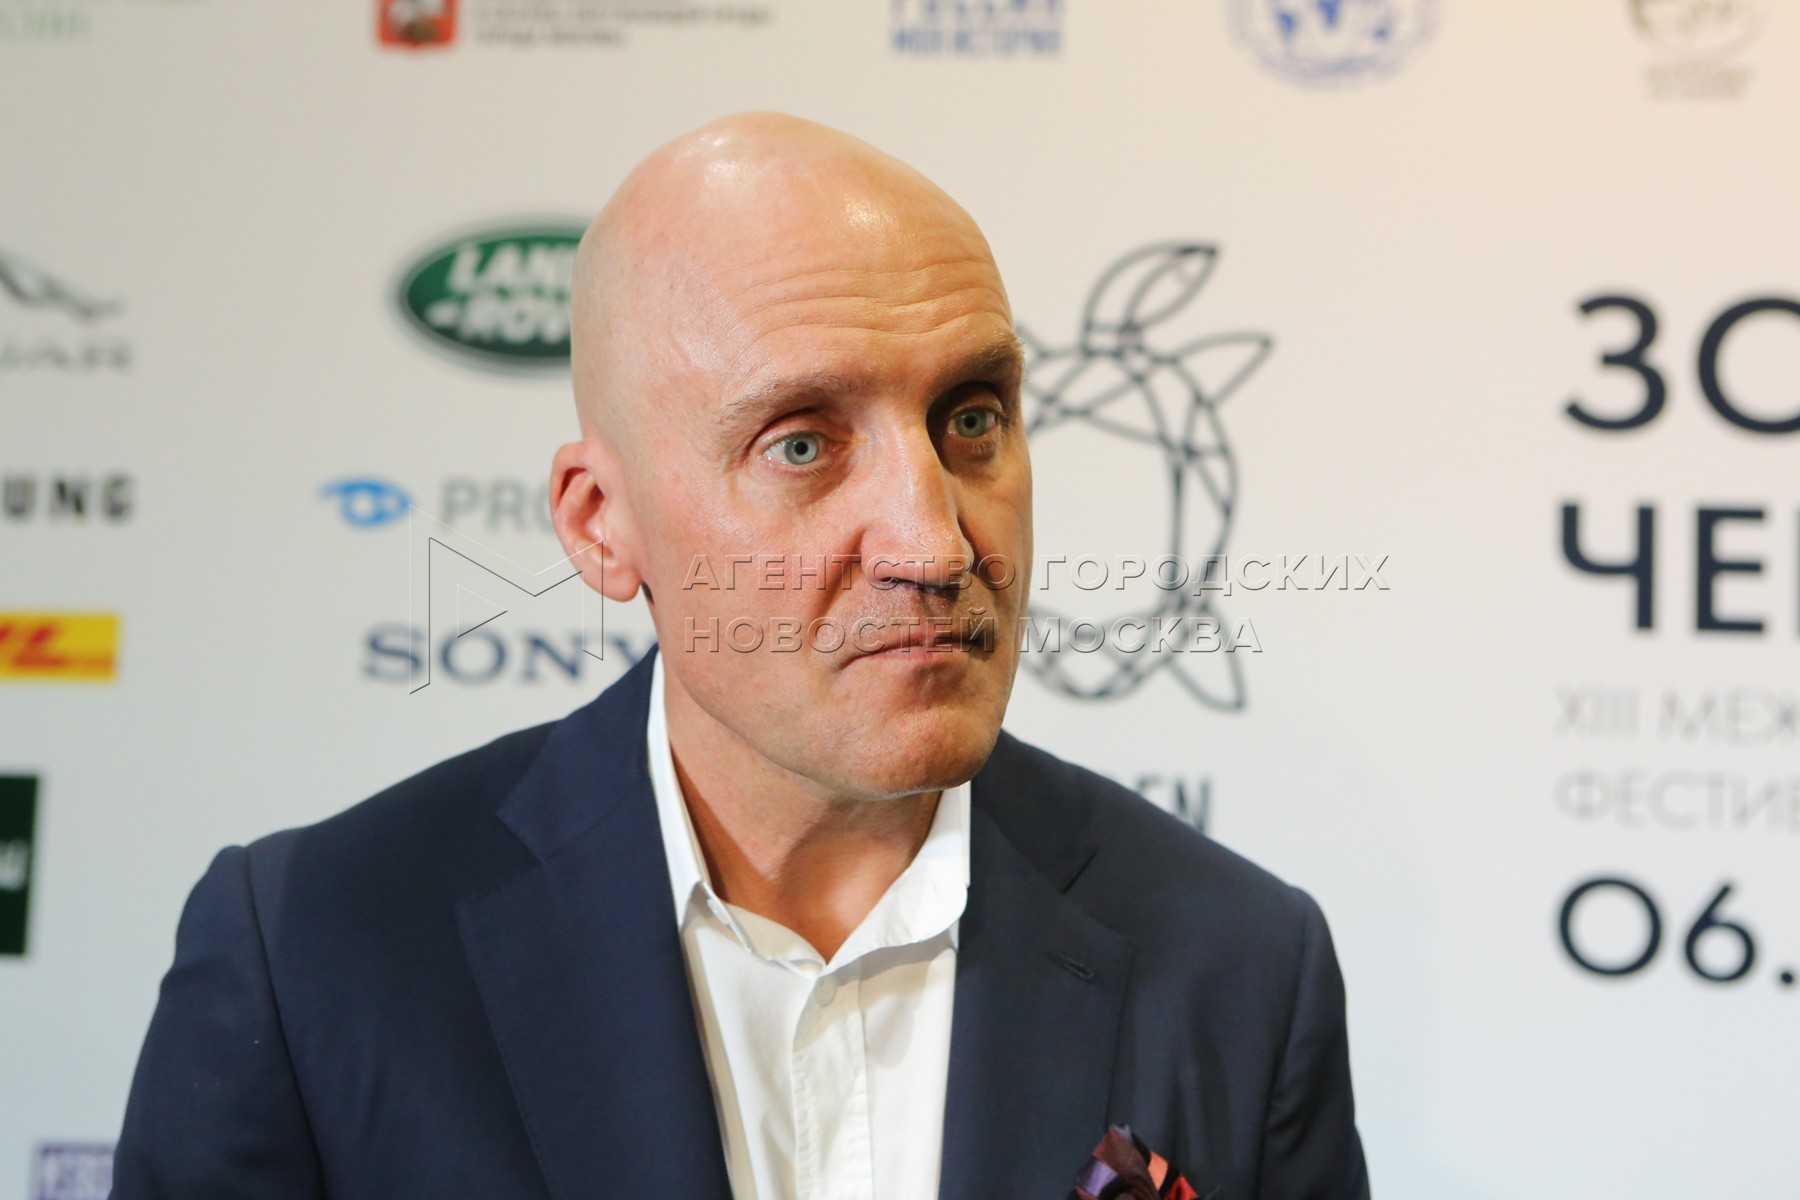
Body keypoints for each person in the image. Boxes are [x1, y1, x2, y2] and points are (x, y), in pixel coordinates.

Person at [111, 113, 1369, 1200]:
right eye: (802, 445)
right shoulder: (318, 955)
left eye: (972, 418)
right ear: (601, 525)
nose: (935, 544)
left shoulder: (1241, 966)